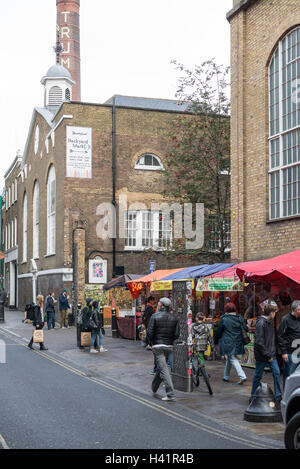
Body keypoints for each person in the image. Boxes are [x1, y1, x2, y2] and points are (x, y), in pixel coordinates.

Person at [147, 297, 180, 401]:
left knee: (164, 368)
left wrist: (152, 343)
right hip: (169, 346)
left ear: (161, 305)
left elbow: (149, 332)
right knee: (162, 366)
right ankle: (154, 386)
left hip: (157, 346)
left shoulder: (154, 316)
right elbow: (176, 334)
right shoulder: (174, 317)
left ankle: (170, 394)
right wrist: (169, 340)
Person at [250, 304, 282, 403]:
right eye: (275, 312)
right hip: (264, 355)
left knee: (276, 373)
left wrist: (271, 353)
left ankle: (278, 396)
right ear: (271, 313)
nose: (275, 314)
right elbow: (259, 341)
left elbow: (269, 340)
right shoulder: (261, 323)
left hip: (270, 354)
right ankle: (253, 396)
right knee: (258, 375)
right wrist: (268, 355)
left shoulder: (269, 322)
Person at [214, 304, 248, 385]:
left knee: (232, 358)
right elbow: (246, 329)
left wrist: (215, 340)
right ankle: (226, 376)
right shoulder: (239, 318)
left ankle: (242, 376)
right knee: (230, 358)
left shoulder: (224, 319)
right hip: (238, 341)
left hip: (228, 342)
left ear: (226, 310)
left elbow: (219, 331)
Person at [278, 300, 300, 387]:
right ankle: (287, 397)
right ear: (296, 310)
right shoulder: (285, 319)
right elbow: (280, 337)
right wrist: (284, 352)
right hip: (291, 353)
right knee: (289, 376)